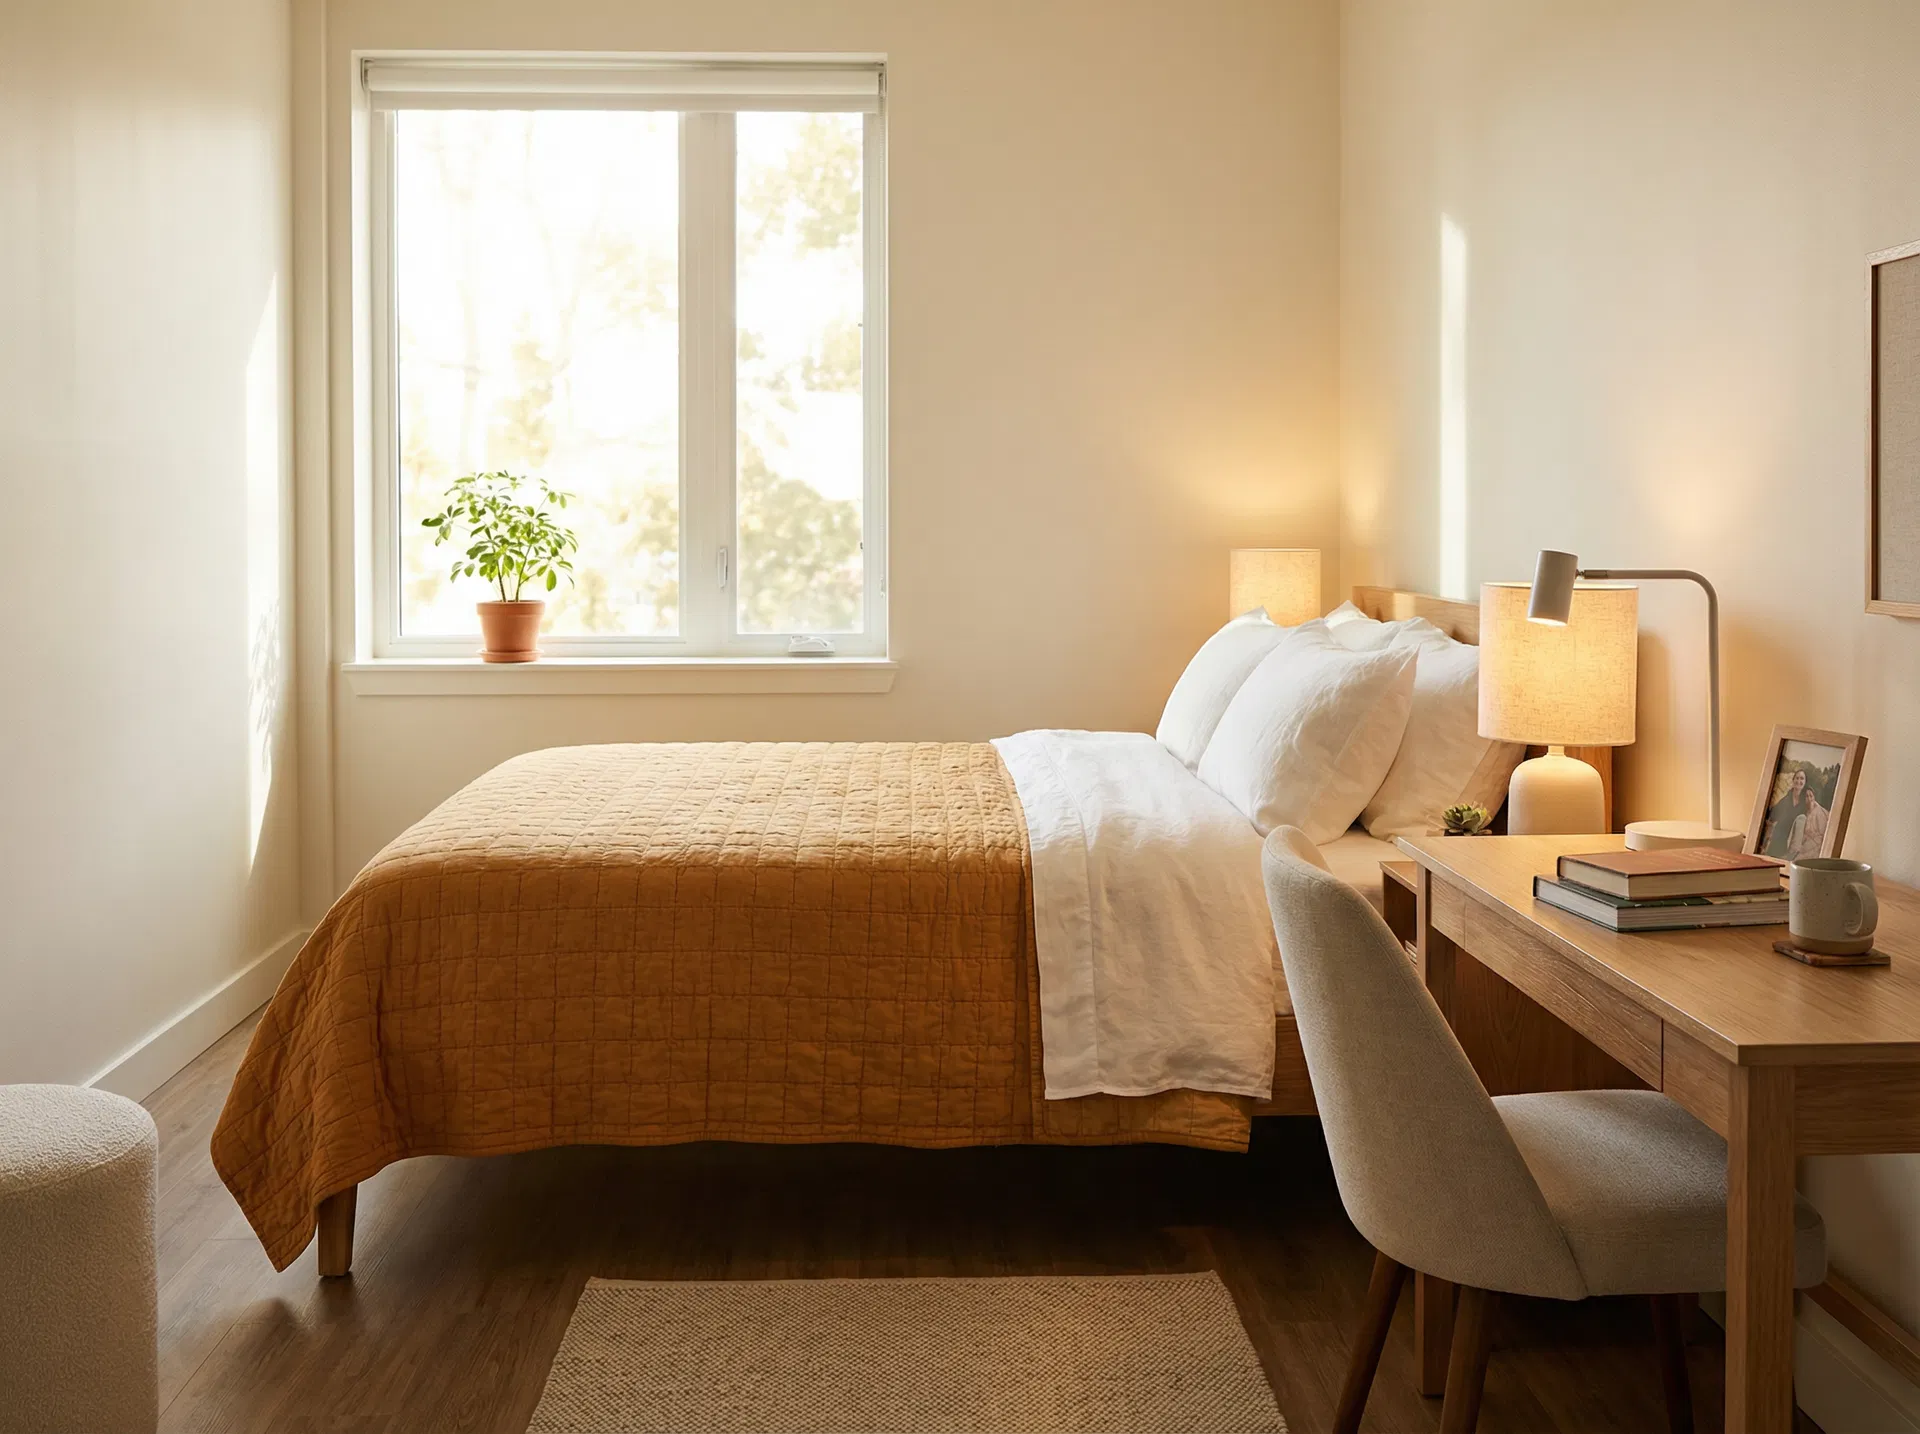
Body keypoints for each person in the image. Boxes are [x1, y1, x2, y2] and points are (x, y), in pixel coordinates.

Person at [1763, 768, 1828, 860]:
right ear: (1793, 780)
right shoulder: (1786, 799)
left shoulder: (1805, 799)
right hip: (1779, 838)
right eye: (1797, 778)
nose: (1799, 781)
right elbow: (1772, 815)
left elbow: (1814, 808)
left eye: (1802, 779)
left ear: (1805, 782)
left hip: (1793, 840)